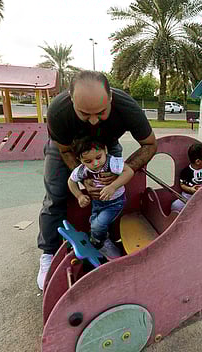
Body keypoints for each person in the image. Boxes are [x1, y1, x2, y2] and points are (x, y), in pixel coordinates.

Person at [37, 70, 157, 290]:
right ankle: (49, 252)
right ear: (71, 100)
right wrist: (84, 179)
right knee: (55, 195)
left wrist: (125, 170)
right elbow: (64, 151)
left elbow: (150, 143)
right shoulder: (58, 110)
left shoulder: (126, 107)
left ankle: (104, 239)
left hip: (105, 146)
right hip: (67, 147)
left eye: (101, 113)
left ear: (111, 97)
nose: (93, 121)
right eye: (84, 114)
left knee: (116, 193)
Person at [68, 136, 134, 259]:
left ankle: (100, 244)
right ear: (80, 159)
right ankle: (100, 237)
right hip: (97, 203)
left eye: (98, 157)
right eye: (88, 161)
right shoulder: (82, 170)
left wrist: (113, 186)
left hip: (115, 202)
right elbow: (71, 181)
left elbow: (129, 172)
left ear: (105, 151)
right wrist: (79, 196)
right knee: (94, 223)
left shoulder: (111, 162)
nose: (95, 163)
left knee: (97, 225)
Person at [171, 143, 202, 212]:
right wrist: (190, 189)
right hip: (189, 196)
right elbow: (182, 184)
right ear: (198, 161)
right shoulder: (186, 171)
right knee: (175, 206)